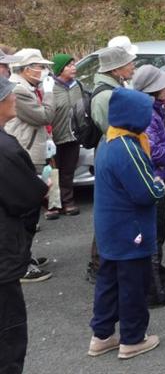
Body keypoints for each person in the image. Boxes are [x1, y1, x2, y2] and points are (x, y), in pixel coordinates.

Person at [88, 88, 165, 361]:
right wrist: (159, 184)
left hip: (110, 229)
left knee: (108, 283)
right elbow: (146, 192)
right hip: (131, 230)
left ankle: (102, 335)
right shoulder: (128, 147)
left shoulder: (109, 141)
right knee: (134, 284)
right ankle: (132, 339)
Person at [0, 75, 49, 374]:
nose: (14, 98)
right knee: (9, 334)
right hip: (3, 254)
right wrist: (42, 185)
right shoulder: (4, 148)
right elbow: (24, 197)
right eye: (8, 94)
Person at [130, 66, 165, 308]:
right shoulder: (148, 114)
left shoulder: (151, 110)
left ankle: (153, 286)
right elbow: (153, 151)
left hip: (154, 178)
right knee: (154, 235)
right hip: (153, 180)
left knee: (153, 234)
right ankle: (155, 291)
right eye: (164, 85)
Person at [86, 45, 136, 282]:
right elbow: (115, 132)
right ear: (116, 69)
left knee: (114, 209)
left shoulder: (112, 89)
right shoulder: (106, 95)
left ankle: (106, 263)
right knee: (111, 210)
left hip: (111, 154)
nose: (133, 66)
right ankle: (99, 265)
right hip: (113, 156)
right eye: (129, 63)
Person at [6, 49, 55, 284]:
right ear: (26, 69)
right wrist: (49, 93)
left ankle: (26, 256)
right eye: (39, 66)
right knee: (27, 211)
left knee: (32, 213)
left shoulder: (25, 88)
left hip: (31, 149)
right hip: (25, 150)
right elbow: (44, 115)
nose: (43, 70)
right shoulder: (18, 89)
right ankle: (22, 262)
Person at [49, 54, 82, 218]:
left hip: (73, 135)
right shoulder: (50, 87)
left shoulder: (77, 86)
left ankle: (68, 201)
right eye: (69, 65)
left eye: (74, 64)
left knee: (68, 171)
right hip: (54, 136)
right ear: (59, 69)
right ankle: (52, 204)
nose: (73, 68)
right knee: (52, 172)